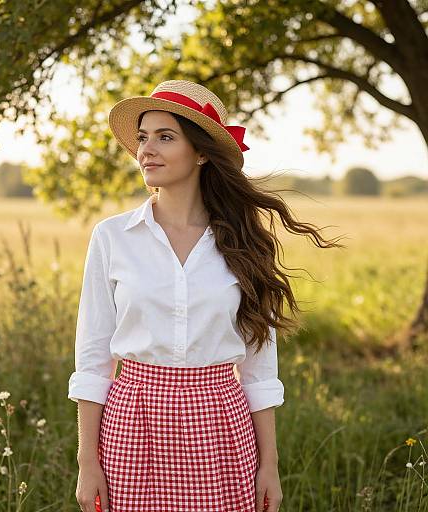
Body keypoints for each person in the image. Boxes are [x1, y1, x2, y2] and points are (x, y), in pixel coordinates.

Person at [68, 79, 344, 512]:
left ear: (200, 152)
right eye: (143, 137)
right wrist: (87, 461)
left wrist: (269, 463)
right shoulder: (112, 237)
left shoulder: (243, 242)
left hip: (220, 424)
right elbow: (93, 357)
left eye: (165, 137)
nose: (146, 150)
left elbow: (259, 366)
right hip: (133, 421)